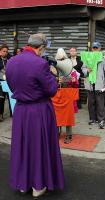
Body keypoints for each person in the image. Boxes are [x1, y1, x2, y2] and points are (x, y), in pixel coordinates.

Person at [6, 33, 64, 197]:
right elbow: (51, 90)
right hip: (39, 110)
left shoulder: (11, 61)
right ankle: (38, 186)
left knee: (23, 146)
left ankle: (23, 184)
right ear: (41, 47)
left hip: (20, 110)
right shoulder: (40, 63)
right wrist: (53, 75)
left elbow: (11, 85)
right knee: (39, 146)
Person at [82, 42, 105, 129]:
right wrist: (87, 70)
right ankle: (92, 118)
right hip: (90, 83)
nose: (95, 49)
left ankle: (101, 120)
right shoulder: (87, 57)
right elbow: (83, 68)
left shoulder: (104, 58)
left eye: (96, 47)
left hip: (99, 84)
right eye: (94, 47)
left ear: (100, 48)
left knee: (100, 103)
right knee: (91, 103)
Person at [0, 44, 9, 121]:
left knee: (10, 98)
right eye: (4, 51)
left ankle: (13, 113)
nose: (5, 53)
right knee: (1, 98)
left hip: (8, 81)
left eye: (6, 51)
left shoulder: (9, 59)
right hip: (0, 82)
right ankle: (0, 115)